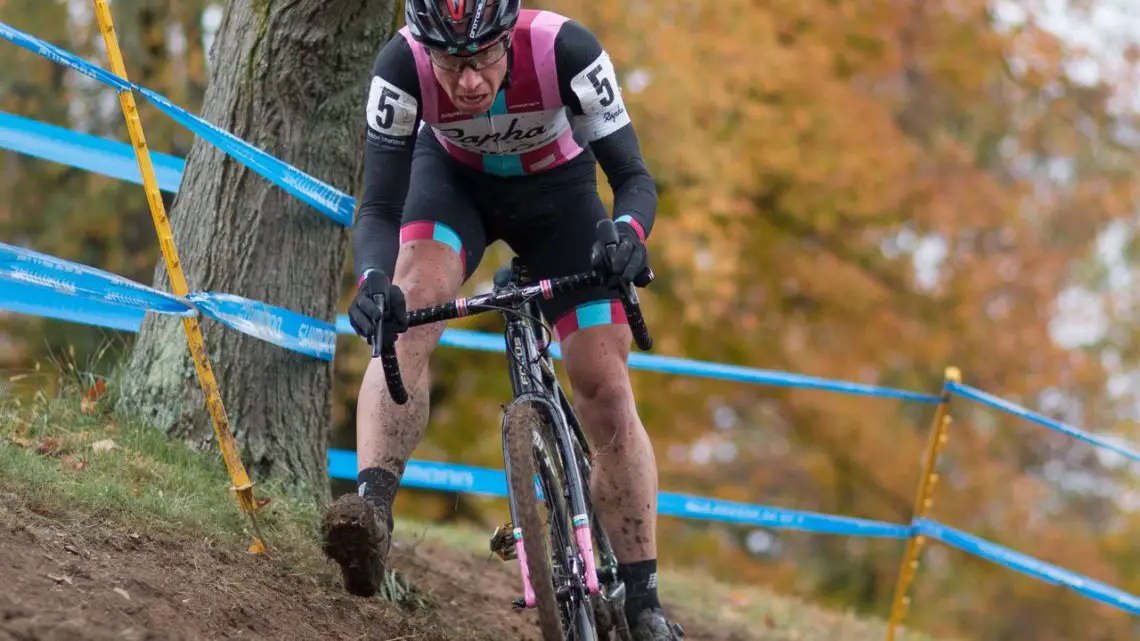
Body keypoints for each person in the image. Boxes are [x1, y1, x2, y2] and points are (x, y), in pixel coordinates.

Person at [321, 0, 683, 638]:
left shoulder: (565, 49)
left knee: (603, 380)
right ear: (424, 48)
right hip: (454, 189)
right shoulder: (400, 65)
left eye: (484, 56)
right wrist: (374, 281)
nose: (468, 81)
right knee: (408, 310)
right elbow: (378, 205)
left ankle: (643, 598)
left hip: (561, 196)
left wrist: (627, 233)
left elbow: (632, 176)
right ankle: (371, 514)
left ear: (509, 36)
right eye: (451, 62)